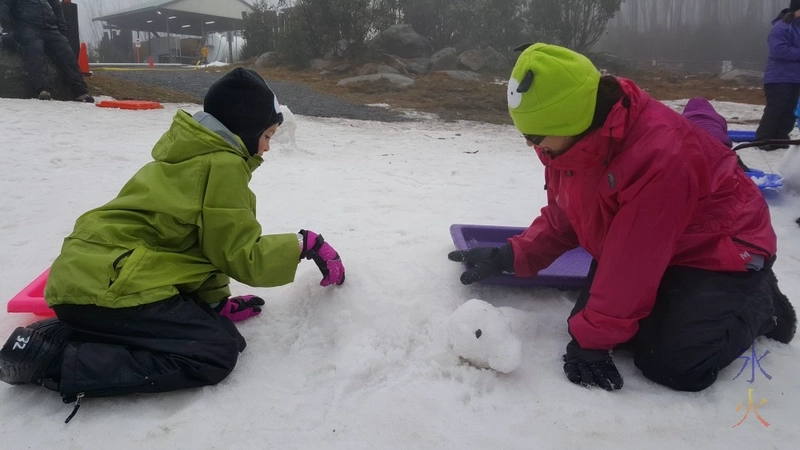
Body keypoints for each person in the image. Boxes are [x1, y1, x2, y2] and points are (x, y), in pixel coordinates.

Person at [449, 43, 796, 392]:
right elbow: (568, 215)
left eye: (535, 136)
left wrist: (592, 343)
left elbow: (635, 260)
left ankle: (763, 305)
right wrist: (513, 254)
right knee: (596, 325)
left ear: (569, 119)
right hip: (661, 243)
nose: (530, 145)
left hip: (720, 248)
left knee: (673, 364)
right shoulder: (572, 141)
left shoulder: (659, 154)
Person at [0, 68, 344, 417]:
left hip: (90, 280)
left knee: (218, 332)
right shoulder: (222, 166)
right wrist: (304, 245)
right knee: (215, 351)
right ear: (245, 129)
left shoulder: (188, 156)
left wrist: (212, 306)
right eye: (267, 134)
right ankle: (54, 359)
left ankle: (57, 335)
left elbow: (196, 245)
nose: (268, 146)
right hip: (111, 289)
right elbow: (239, 254)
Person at [0, 0, 93, 102]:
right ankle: (43, 89)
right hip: (27, 28)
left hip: (51, 29)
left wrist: (63, 30)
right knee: (35, 53)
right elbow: (4, 7)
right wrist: (8, 29)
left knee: (68, 55)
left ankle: (80, 91)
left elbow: (57, 8)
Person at [754, 0, 800, 150]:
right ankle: (763, 139)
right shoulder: (781, 28)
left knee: (790, 111)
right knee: (776, 109)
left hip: (796, 78)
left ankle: (781, 138)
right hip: (779, 78)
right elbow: (779, 50)